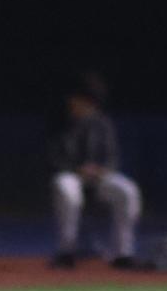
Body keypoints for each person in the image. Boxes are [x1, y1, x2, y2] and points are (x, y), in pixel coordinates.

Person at [47, 77, 141, 271]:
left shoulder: (102, 124)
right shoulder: (61, 123)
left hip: (99, 177)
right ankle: (66, 252)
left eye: (78, 99)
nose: (73, 102)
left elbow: (112, 157)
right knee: (66, 188)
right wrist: (77, 169)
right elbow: (53, 158)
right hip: (71, 175)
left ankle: (123, 253)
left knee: (127, 190)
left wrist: (100, 170)